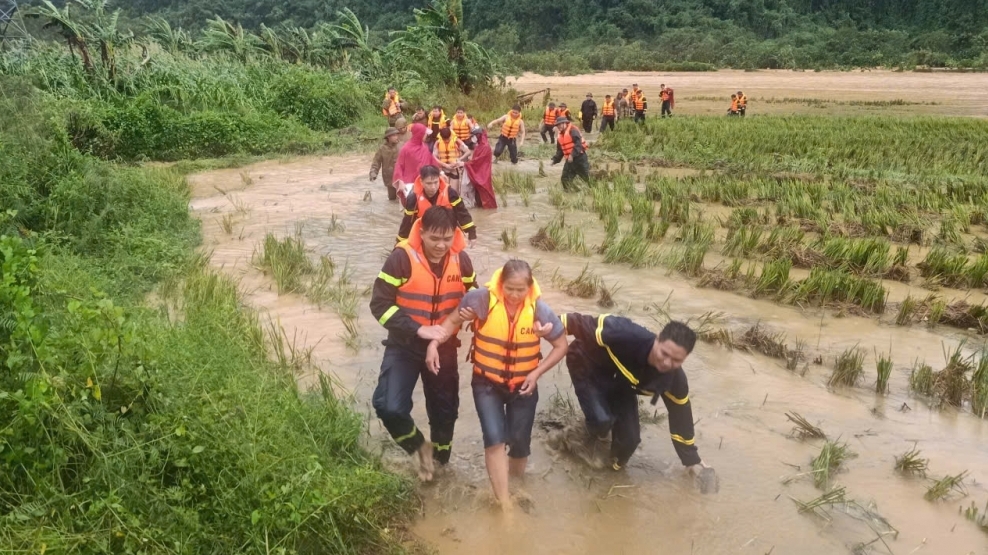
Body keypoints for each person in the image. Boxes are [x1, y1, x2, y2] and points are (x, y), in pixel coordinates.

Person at [427, 260, 568, 511]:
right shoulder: (480, 300)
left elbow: (561, 346)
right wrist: (433, 345)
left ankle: (514, 486)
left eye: (520, 290)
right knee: (494, 439)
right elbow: (450, 322)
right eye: (509, 289)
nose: (514, 295)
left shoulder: (540, 311)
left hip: (524, 385)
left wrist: (536, 373)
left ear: (529, 287)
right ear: (501, 284)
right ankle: (505, 506)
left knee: (520, 443)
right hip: (486, 383)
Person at [370, 206, 477, 482]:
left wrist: (470, 316)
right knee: (388, 406)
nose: (441, 245)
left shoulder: (462, 261)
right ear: (422, 232)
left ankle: (441, 467)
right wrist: (419, 330)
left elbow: (474, 298)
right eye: (434, 239)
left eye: (447, 238)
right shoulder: (400, 259)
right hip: (404, 344)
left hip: (444, 347)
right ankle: (419, 448)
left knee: (445, 413)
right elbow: (380, 305)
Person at [562, 315, 712, 478]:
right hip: (587, 364)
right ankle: (587, 434)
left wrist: (691, 459)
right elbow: (575, 322)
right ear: (657, 339)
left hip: (622, 385)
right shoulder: (626, 334)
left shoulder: (674, 379)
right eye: (664, 353)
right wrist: (538, 327)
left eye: (676, 360)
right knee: (601, 421)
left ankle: (609, 473)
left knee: (629, 442)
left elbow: (680, 416)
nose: (667, 363)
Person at [397, 165, 477, 245]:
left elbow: (462, 213)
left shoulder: (450, 193)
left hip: (447, 232)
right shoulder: (413, 198)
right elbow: (407, 223)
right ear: (421, 182)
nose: (433, 187)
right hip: (426, 234)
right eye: (429, 183)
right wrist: (399, 243)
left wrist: (472, 233)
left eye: (436, 182)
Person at [393, 123, 439, 205]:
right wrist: (400, 181)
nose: (426, 136)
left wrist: (440, 173)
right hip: (410, 184)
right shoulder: (406, 149)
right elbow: (399, 165)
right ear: (420, 134)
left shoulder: (424, 146)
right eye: (425, 134)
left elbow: (432, 160)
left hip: (425, 181)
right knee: (413, 207)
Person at [551, 117, 590, 191]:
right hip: (570, 161)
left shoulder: (573, 131)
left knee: (587, 178)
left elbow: (578, 145)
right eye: (557, 125)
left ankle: (595, 191)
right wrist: (554, 160)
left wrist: (572, 155)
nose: (559, 127)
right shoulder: (560, 136)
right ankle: (570, 194)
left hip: (580, 159)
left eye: (560, 125)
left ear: (565, 123)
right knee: (565, 179)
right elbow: (560, 151)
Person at [465, 127, 497, 209]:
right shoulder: (479, 146)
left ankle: (488, 210)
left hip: (483, 174)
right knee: (478, 194)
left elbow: (478, 161)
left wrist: (465, 164)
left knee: (485, 192)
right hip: (479, 172)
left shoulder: (485, 147)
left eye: (474, 135)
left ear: (478, 136)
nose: (472, 138)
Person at [433, 127, 471, 191]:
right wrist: (444, 165)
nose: (446, 141)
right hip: (443, 169)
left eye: (447, 139)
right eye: (444, 139)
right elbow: (433, 157)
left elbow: (468, 152)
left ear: (450, 135)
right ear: (441, 137)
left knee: (454, 191)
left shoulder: (457, 141)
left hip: (454, 169)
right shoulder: (438, 143)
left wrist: (459, 159)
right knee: (444, 190)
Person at [370, 127, 401, 201]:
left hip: (401, 177)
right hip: (389, 178)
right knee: (392, 199)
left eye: (397, 134)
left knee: (402, 200)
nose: (396, 137)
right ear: (388, 137)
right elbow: (376, 162)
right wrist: (373, 172)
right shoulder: (382, 149)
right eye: (394, 135)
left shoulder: (402, 146)